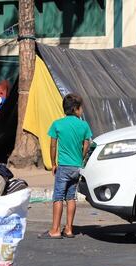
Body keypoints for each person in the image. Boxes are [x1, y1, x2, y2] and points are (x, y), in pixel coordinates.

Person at [38, 93, 92, 239]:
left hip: (63, 167)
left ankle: (55, 229)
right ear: (75, 109)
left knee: (58, 197)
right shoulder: (84, 125)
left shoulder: (57, 124)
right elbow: (87, 143)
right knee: (71, 197)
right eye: (81, 109)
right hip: (76, 167)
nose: (82, 111)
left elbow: (53, 145)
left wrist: (53, 163)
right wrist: (81, 157)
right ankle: (68, 229)